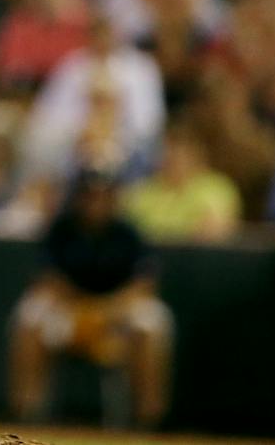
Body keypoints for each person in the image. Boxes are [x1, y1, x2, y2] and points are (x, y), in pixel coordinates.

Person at [9, 164, 173, 428]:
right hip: (70, 313)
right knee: (29, 315)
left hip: (116, 315)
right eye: (90, 195)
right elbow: (46, 280)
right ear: (79, 197)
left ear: (114, 198)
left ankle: (148, 419)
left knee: (152, 321)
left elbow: (143, 285)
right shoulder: (62, 228)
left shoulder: (128, 232)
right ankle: (27, 413)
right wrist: (84, 312)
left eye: (104, 196)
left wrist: (104, 312)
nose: (96, 202)